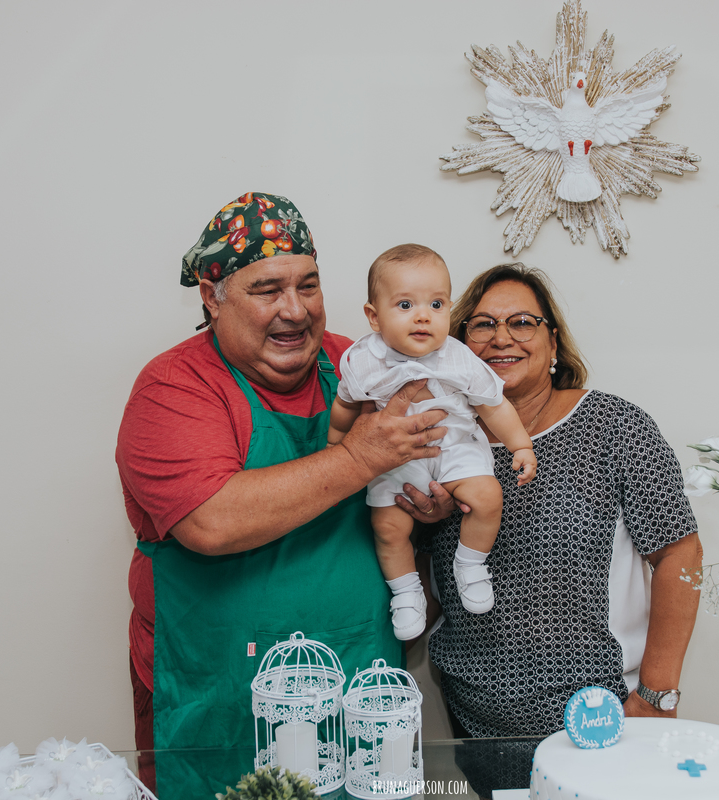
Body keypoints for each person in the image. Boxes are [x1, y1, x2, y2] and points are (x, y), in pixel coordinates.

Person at [115, 192, 450, 800]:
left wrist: (434, 505)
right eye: (267, 289)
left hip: (358, 673)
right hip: (223, 690)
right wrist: (358, 456)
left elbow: (439, 453)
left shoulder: (358, 363)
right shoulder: (174, 387)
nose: (294, 310)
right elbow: (210, 521)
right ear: (212, 298)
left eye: (309, 285)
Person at [398, 263, 703, 741]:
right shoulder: (437, 439)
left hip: (604, 714)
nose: (502, 338)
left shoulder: (614, 425)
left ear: (553, 342)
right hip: (475, 721)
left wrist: (658, 693)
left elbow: (680, 554)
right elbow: (421, 586)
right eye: (482, 325)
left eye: (522, 322)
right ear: (455, 348)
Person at [327, 244, 537, 641]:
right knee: (387, 526)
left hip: (454, 447)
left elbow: (494, 407)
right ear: (374, 316)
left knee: (488, 496)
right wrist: (336, 445)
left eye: (437, 304)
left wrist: (520, 446)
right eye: (405, 304)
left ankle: (470, 563)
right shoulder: (364, 361)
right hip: (394, 458)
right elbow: (345, 405)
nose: (423, 315)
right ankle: (406, 592)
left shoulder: (459, 360)